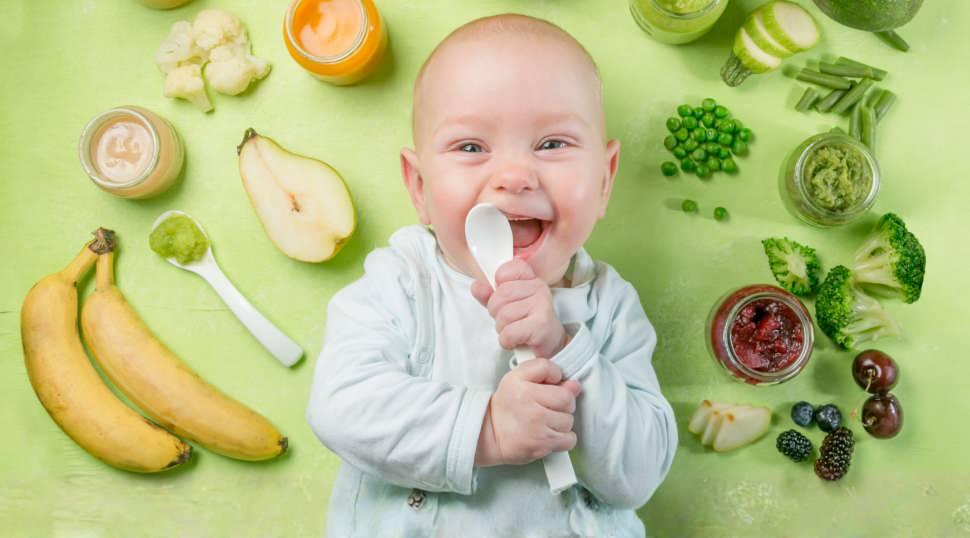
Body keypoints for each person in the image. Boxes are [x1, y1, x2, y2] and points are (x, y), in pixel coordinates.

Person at [307, 13, 678, 537]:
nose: (514, 176)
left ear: (603, 180)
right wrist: (488, 428)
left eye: (552, 144)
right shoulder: (401, 282)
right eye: (471, 148)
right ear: (420, 188)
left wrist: (563, 347)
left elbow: (638, 476)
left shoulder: (610, 306)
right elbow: (341, 407)